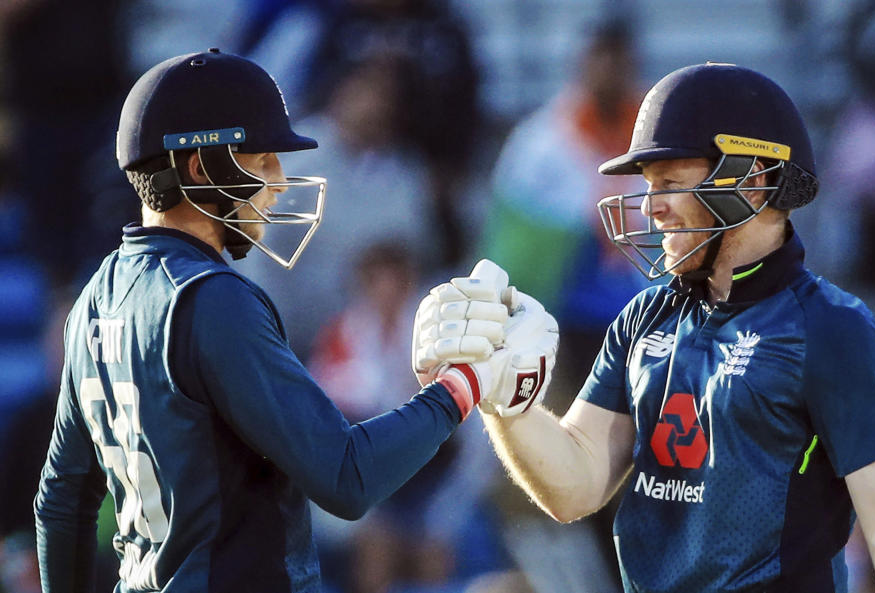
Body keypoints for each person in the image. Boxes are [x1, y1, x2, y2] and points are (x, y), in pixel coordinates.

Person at [32, 49, 517, 593]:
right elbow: (347, 477)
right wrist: (462, 386)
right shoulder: (215, 299)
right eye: (263, 160)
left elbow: (62, 500)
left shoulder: (96, 296)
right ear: (199, 167)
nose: (280, 182)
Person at [461, 63, 875, 592]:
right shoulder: (642, 317)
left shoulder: (833, 330)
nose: (651, 207)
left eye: (670, 183)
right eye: (648, 185)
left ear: (753, 181)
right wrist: (504, 398)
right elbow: (575, 486)